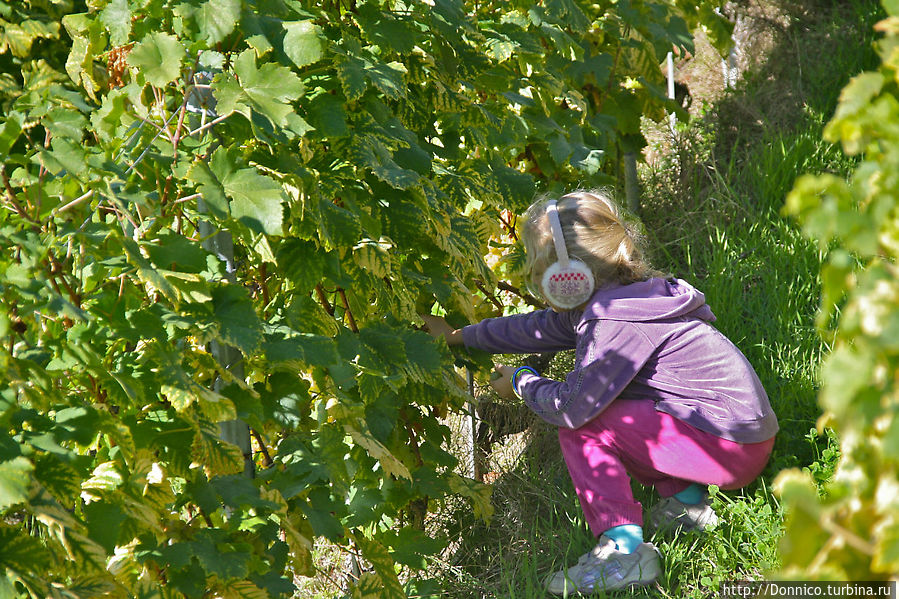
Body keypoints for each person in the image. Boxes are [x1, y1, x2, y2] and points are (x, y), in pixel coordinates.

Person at [421, 190, 778, 595]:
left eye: (538, 270)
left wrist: (521, 380)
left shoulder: (613, 324)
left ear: (566, 276)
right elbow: (535, 328)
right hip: (736, 436)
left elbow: (571, 409)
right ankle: (688, 503)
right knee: (625, 407)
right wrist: (461, 337)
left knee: (585, 426)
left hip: (727, 447)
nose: (535, 281)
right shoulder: (628, 297)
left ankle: (623, 553)